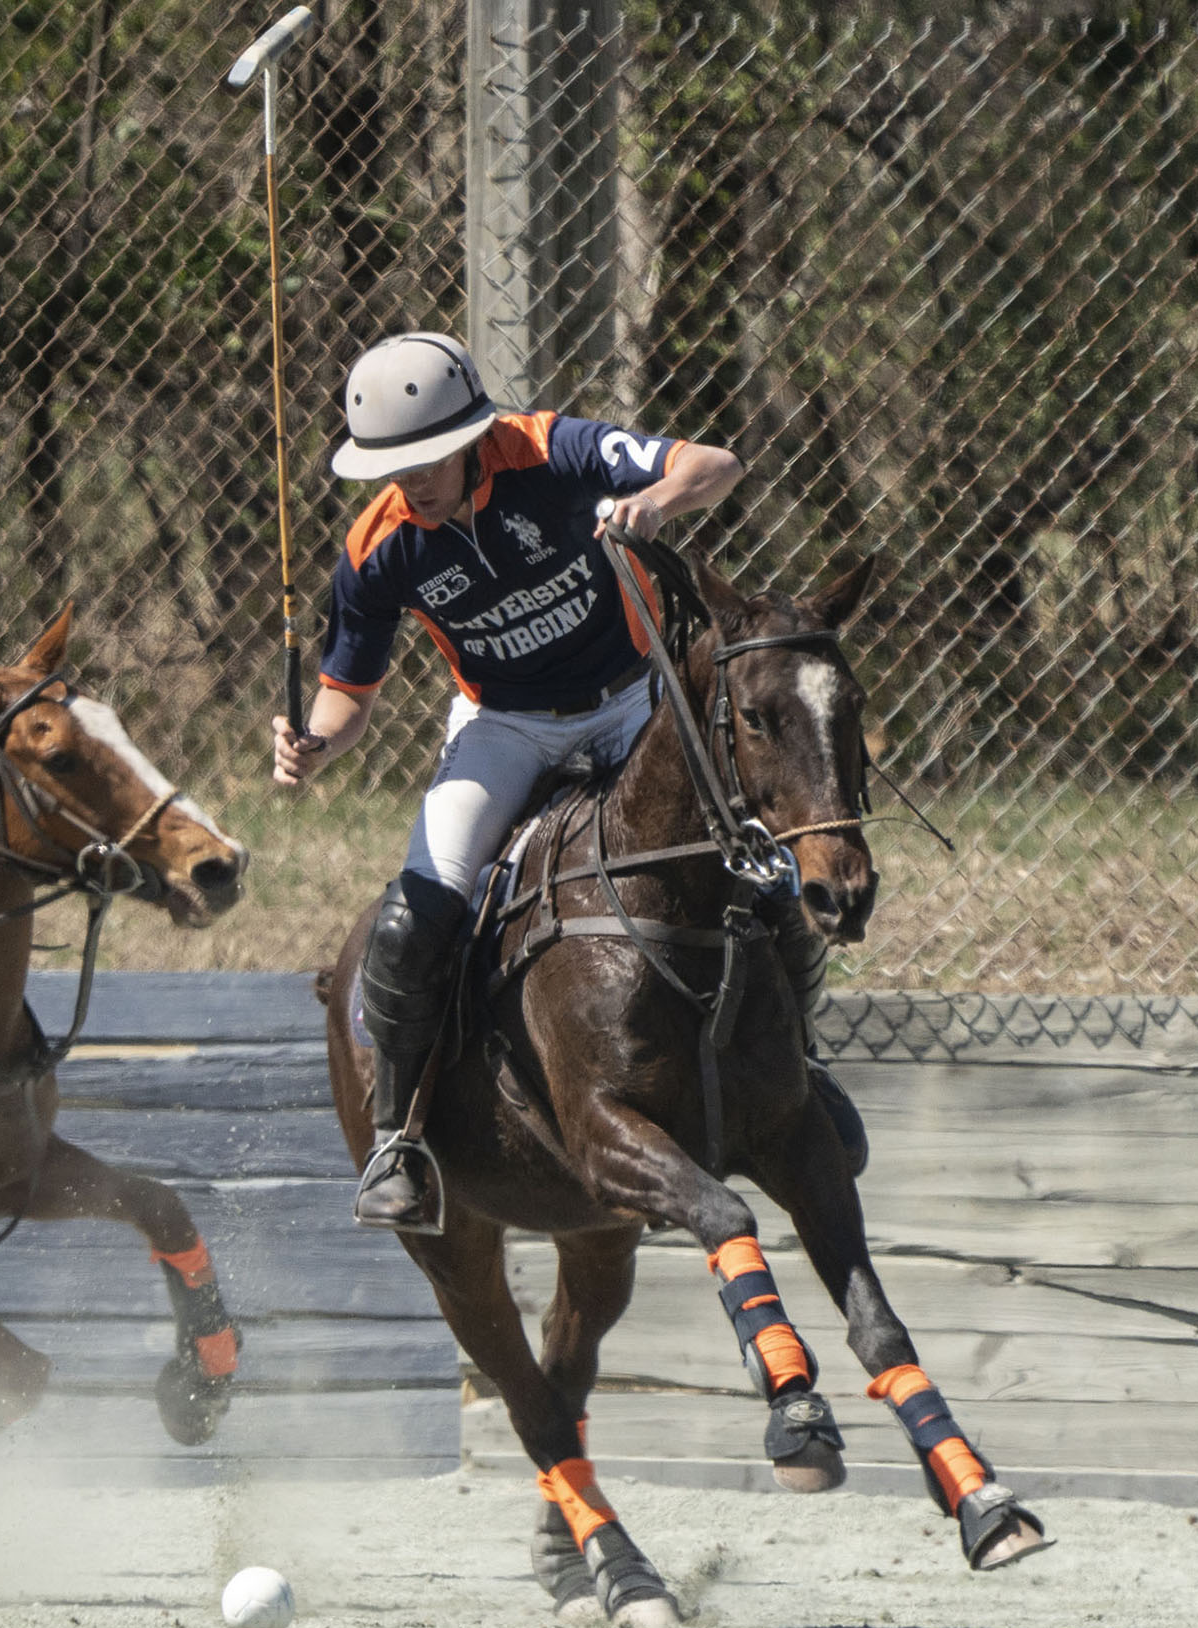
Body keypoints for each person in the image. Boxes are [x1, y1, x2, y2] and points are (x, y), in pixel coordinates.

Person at [270, 331, 862, 1232]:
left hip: (633, 702)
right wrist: (313, 743)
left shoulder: (548, 449)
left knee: (766, 871)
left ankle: (801, 1068)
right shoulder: (380, 547)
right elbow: (347, 694)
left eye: (428, 458)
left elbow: (718, 462)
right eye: (392, 467)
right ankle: (401, 1134)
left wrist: (656, 503)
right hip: (503, 722)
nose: (413, 481)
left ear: (471, 435)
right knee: (417, 910)